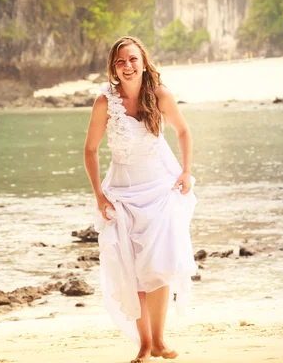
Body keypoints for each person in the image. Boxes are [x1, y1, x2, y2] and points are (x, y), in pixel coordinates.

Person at [83, 36, 198, 363]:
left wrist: (186, 172)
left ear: (143, 62)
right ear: (113, 68)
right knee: (130, 270)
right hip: (121, 193)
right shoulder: (105, 101)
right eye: (121, 61)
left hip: (160, 190)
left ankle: (160, 340)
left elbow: (184, 132)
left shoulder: (160, 95)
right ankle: (145, 345)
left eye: (133, 59)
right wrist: (99, 194)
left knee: (159, 267)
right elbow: (90, 150)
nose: (128, 66)